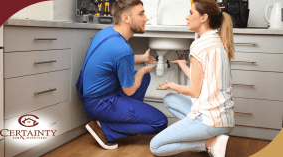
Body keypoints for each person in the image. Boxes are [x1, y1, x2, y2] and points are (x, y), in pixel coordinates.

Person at [76, 0, 168, 150]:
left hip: (92, 96)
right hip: (100, 103)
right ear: (126, 18)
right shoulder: (122, 49)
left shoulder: (107, 32)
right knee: (160, 122)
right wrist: (143, 69)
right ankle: (104, 129)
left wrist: (143, 59)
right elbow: (129, 90)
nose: (146, 18)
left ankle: (124, 117)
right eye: (141, 14)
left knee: (144, 78)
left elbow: (116, 59)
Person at [150, 0, 235, 156]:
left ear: (203, 17)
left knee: (155, 146)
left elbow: (195, 91)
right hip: (225, 119)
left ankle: (210, 142)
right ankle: (206, 135)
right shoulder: (220, 40)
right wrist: (183, 64)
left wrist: (173, 85)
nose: (186, 17)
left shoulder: (199, 45)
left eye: (191, 13)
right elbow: (204, 80)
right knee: (170, 99)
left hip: (210, 120)